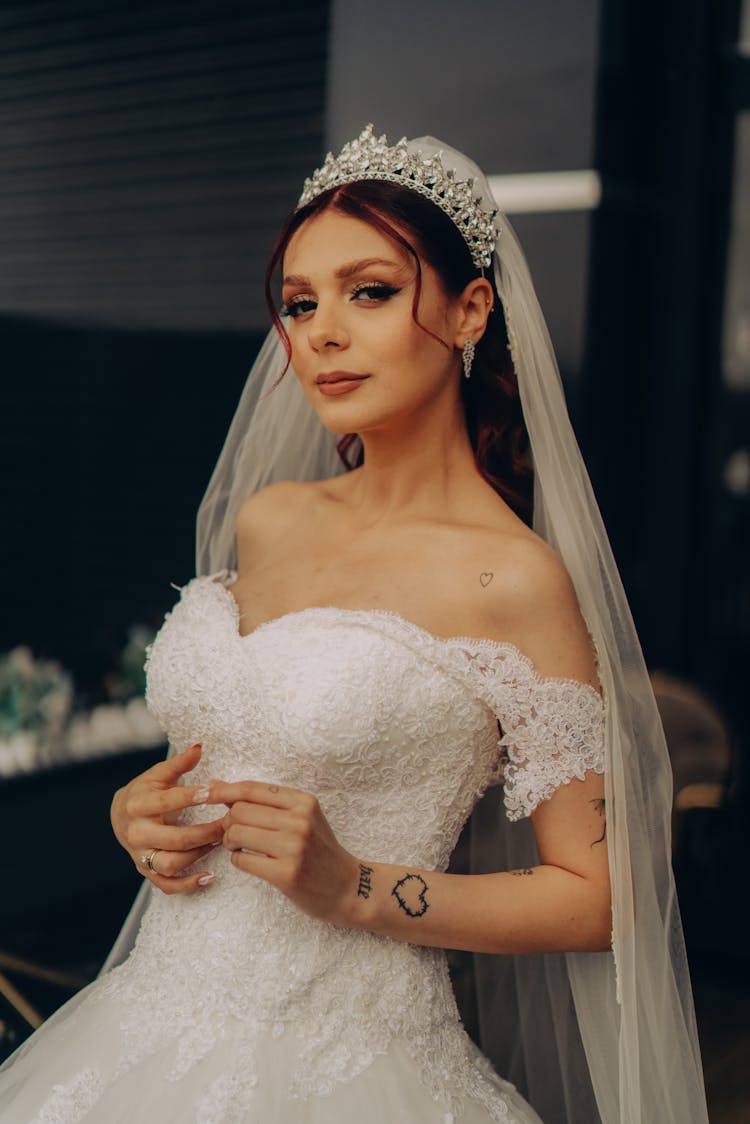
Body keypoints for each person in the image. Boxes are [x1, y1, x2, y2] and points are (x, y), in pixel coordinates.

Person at [0, 127, 708, 1124]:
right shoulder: (271, 517)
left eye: (368, 291)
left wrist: (356, 883)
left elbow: (598, 897)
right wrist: (146, 820)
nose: (322, 331)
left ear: (470, 311)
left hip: (353, 1071)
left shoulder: (511, 577)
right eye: (300, 302)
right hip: (138, 1035)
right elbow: (236, 750)